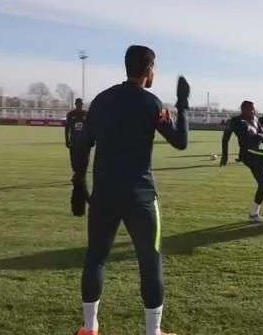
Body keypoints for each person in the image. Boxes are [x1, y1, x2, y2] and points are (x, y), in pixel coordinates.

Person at [72, 45, 189, 335]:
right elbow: (180, 142)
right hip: (141, 197)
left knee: (95, 258)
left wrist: (78, 181)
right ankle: (153, 332)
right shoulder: (151, 103)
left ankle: (89, 328)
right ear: (149, 69)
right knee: (150, 263)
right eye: (155, 67)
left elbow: (82, 143)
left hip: (104, 197)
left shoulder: (101, 101)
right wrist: (183, 105)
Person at [221, 101, 263, 223]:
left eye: (253, 109)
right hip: (248, 153)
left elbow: (262, 133)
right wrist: (225, 155)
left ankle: (254, 214)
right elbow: (225, 138)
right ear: (243, 109)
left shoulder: (255, 119)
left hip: (256, 152)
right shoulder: (235, 121)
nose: (253, 111)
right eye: (250, 109)